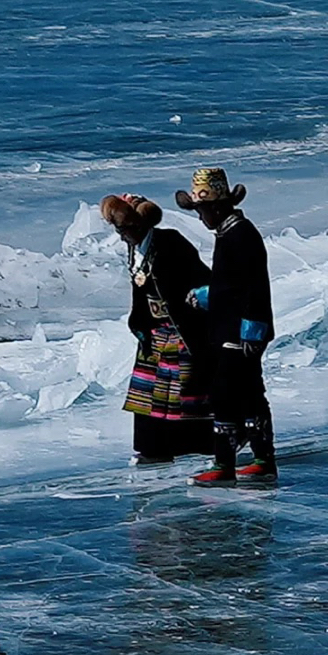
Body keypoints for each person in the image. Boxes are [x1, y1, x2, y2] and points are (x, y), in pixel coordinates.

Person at [173, 167, 277, 485]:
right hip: (230, 328)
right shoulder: (230, 233)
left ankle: (225, 465)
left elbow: (253, 287)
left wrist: (251, 329)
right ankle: (261, 459)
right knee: (247, 394)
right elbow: (230, 285)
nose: (201, 218)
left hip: (239, 332)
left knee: (226, 394)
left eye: (202, 210)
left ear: (216, 207)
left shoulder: (240, 235)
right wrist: (208, 296)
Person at [100, 192, 215, 464]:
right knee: (149, 395)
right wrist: (138, 322)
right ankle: (153, 448)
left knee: (186, 393)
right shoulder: (134, 247)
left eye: (123, 229)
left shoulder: (171, 242)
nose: (121, 235)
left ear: (138, 226)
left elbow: (201, 278)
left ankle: (206, 446)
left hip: (182, 328)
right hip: (153, 331)